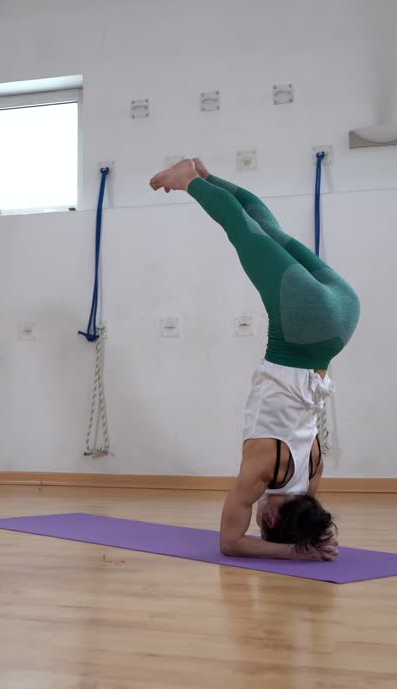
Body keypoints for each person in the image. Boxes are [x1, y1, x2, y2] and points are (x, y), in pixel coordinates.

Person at [149, 158, 360, 561]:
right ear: (270, 522)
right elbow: (230, 543)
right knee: (243, 233)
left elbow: (309, 509)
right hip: (303, 324)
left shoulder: (311, 471)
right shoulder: (263, 470)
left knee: (267, 232)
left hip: (343, 315)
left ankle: (208, 178)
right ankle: (191, 181)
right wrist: (291, 553)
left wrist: (313, 538)